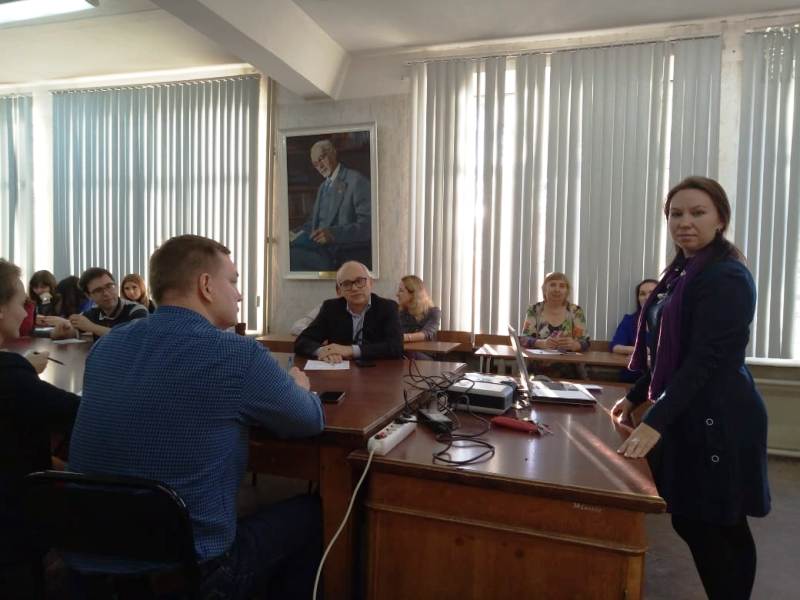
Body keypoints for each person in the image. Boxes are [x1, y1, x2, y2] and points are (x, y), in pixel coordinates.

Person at [67, 235, 325, 598]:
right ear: (206, 285)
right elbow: (309, 420)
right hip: (192, 572)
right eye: (233, 281)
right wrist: (299, 386)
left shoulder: (107, 346)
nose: (239, 294)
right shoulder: (237, 355)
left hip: (91, 561)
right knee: (313, 512)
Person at [613, 176, 770, 600]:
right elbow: (669, 354)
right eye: (676, 214)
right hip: (690, 410)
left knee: (720, 525)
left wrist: (655, 420)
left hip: (721, 416)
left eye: (698, 212)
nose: (685, 222)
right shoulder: (679, 274)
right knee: (691, 519)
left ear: (720, 219)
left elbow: (705, 359)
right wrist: (635, 395)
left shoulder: (726, 276)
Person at [0, 259, 80, 596]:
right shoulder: (10, 374)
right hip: (12, 533)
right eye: (21, 303)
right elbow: (76, 412)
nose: (25, 312)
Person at [294, 261, 403, 362]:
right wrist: (323, 351)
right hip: (339, 371)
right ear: (339, 290)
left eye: (360, 281)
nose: (354, 288)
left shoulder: (388, 307)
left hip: (377, 371)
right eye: (346, 284)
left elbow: (396, 346)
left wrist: (351, 350)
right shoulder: (330, 308)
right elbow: (302, 341)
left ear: (370, 283)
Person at [289, 139, 372, 271]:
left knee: (292, 257)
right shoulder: (323, 186)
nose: (320, 166)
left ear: (333, 153)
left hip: (340, 253)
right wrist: (293, 234)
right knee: (288, 249)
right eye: (316, 164)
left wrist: (333, 234)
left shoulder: (356, 181)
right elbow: (313, 223)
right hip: (319, 249)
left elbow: (368, 227)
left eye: (322, 158)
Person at [48, 268, 148, 340]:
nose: (106, 293)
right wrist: (61, 331)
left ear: (116, 286)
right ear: (89, 296)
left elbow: (134, 339)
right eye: (98, 290)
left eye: (109, 286)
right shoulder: (92, 313)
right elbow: (71, 332)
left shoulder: (137, 310)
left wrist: (92, 327)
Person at [521, 272, 590, 352]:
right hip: (538, 359)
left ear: (567, 291)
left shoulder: (575, 311)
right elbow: (524, 339)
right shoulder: (534, 309)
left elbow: (586, 342)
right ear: (545, 289)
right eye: (552, 285)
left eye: (562, 286)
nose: (557, 290)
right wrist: (542, 343)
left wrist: (575, 345)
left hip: (568, 359)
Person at [610, 278, 658, 382]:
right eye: (642, 294)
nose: (647, 297)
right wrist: (640, 350)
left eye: (651, 293)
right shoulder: (629, 320)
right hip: (632, 378)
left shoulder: (670, 322)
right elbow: (615, 347)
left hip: (660, 380)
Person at [396, 275, 440, 343]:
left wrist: (400, 337)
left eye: (401, 291)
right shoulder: (399, 311)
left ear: (413, 293)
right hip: (402, 348)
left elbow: (427, 334)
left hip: (423, 349)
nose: (397, 294)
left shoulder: (433, 312)